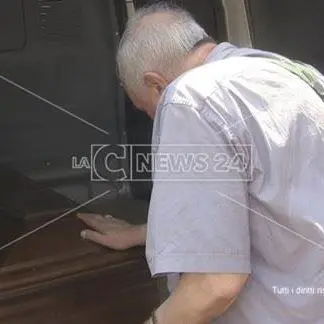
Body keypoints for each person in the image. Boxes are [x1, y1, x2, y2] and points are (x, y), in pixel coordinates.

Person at [77, 2, 324, 323]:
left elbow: (215, 284)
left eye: (148, 109)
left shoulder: (190, 96)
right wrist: (147, 232)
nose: (155, 120)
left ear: (156, 84)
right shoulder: (292, 74)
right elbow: (281, 204)